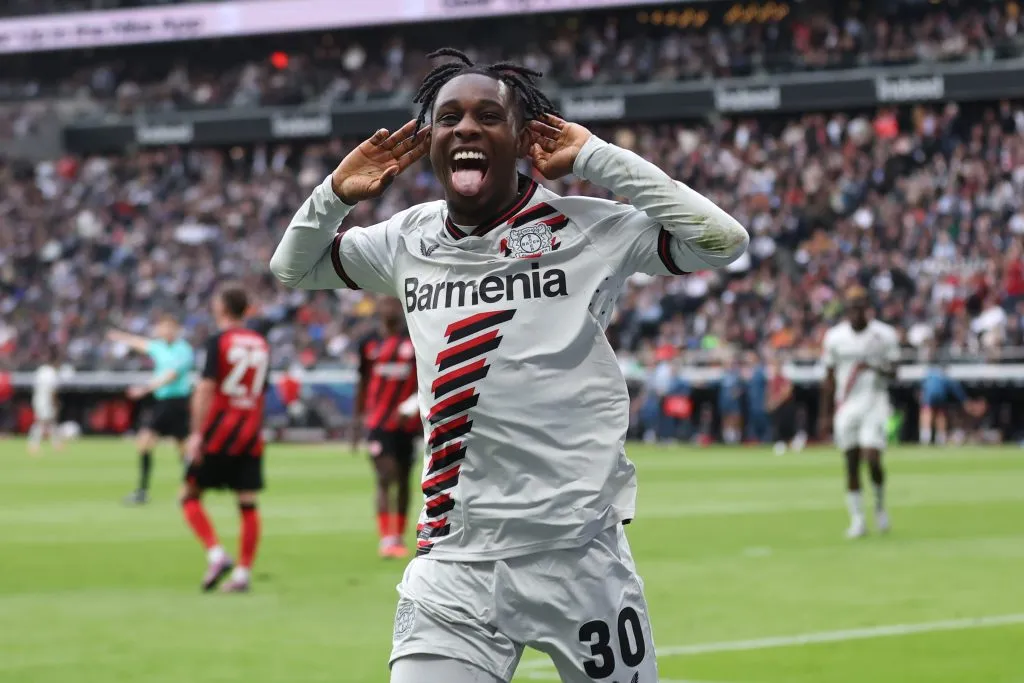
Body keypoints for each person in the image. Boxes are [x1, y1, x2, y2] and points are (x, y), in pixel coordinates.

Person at [270, 47, 747, 683]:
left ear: (523, 138)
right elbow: (292, 267)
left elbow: (722, 239)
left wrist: (596, 158)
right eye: (449, 118)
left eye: (489, 116)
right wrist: (333, 194)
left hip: (580, 556)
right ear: (431, 140)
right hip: (455, 559)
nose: (466, 128)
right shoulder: (405, 239)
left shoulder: (587, 229)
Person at [181, 284, 270, 593]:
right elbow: (260, 390)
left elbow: (206, 388)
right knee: (247, 502)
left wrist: (195, 434)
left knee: (189, 495)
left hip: (218, 431)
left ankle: (217, 554)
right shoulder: (261, 343)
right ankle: (243, 574)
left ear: (222, 308)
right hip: (249, 432)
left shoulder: (218, 341)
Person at [820, 286, 900, 539]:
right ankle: (857, 520)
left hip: (875, 402)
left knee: (872, 458)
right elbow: (829, 376)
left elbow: (895, 371)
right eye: (851, 307)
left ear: (867, 307)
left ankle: (879, 506)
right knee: (851, 463)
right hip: (847, 405)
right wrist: (824, 414)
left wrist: (874, 367)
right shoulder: (834, 337)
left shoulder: (884, 335)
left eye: (859, 306)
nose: (855, 311)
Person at [355, 296, 420, 558]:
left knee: (404, 479)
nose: (390, 309)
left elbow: (424, 379)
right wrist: (356, 420)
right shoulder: (369, 342)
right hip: (378, 422)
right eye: (386, 304)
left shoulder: (413, 340)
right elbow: (362, 381)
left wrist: (415, 406)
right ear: (379, 309)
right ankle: (386, 538)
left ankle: (399, 536)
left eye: (395, 304)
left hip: (408, 423)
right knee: (384, 475)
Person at [108, 315, 195, 505]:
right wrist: (119, 336)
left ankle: (190, 488)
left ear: (176, 330)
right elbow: (140, 343)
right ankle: (143, 491)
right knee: (145, 443)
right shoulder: (159, 347)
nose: (164, 331)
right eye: (162, 328)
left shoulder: (184, 350)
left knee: (182, 449)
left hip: (177, 402)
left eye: (168, 328)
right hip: (162, 402)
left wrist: (144, 389)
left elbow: (171, 375)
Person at [765, 355, 804, 456]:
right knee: (778, 426)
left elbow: (786, 392)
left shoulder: (784, 379)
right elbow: (770, 392)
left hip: (785, 406)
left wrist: (775, 402)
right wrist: (769, 403)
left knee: (787, 425)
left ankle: (792, 442)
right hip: (777, 407)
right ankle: (782, 443)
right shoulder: (773, 380)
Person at [28, 348, 63, 455]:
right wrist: (56, 403)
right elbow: (52, 391)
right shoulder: (51, 373)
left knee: (50, 422)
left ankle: (56, 443)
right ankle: (33, 444)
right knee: (41, 422)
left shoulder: (41, 370)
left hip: (38, 398)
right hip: (45, 400)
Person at [717, 354, 744, 444]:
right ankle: (728, 438)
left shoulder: (737, 375)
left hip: (734, 402)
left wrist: (737, 392)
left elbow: (742, 387)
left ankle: (736, 438)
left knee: (735, 418)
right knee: (726, 418)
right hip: (725, 401)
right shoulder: (722, 375)